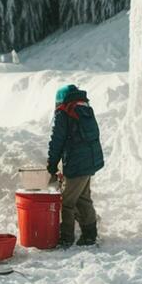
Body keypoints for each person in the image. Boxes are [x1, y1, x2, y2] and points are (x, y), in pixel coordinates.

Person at [47, 84, 105, 248]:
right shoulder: (85, 109)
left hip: (77, 163)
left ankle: (66, 238)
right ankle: (89, 235)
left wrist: (51, 164)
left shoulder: (64, 112)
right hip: (90, 161)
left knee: (66, 201)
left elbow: (57, 141)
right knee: (83, 198)